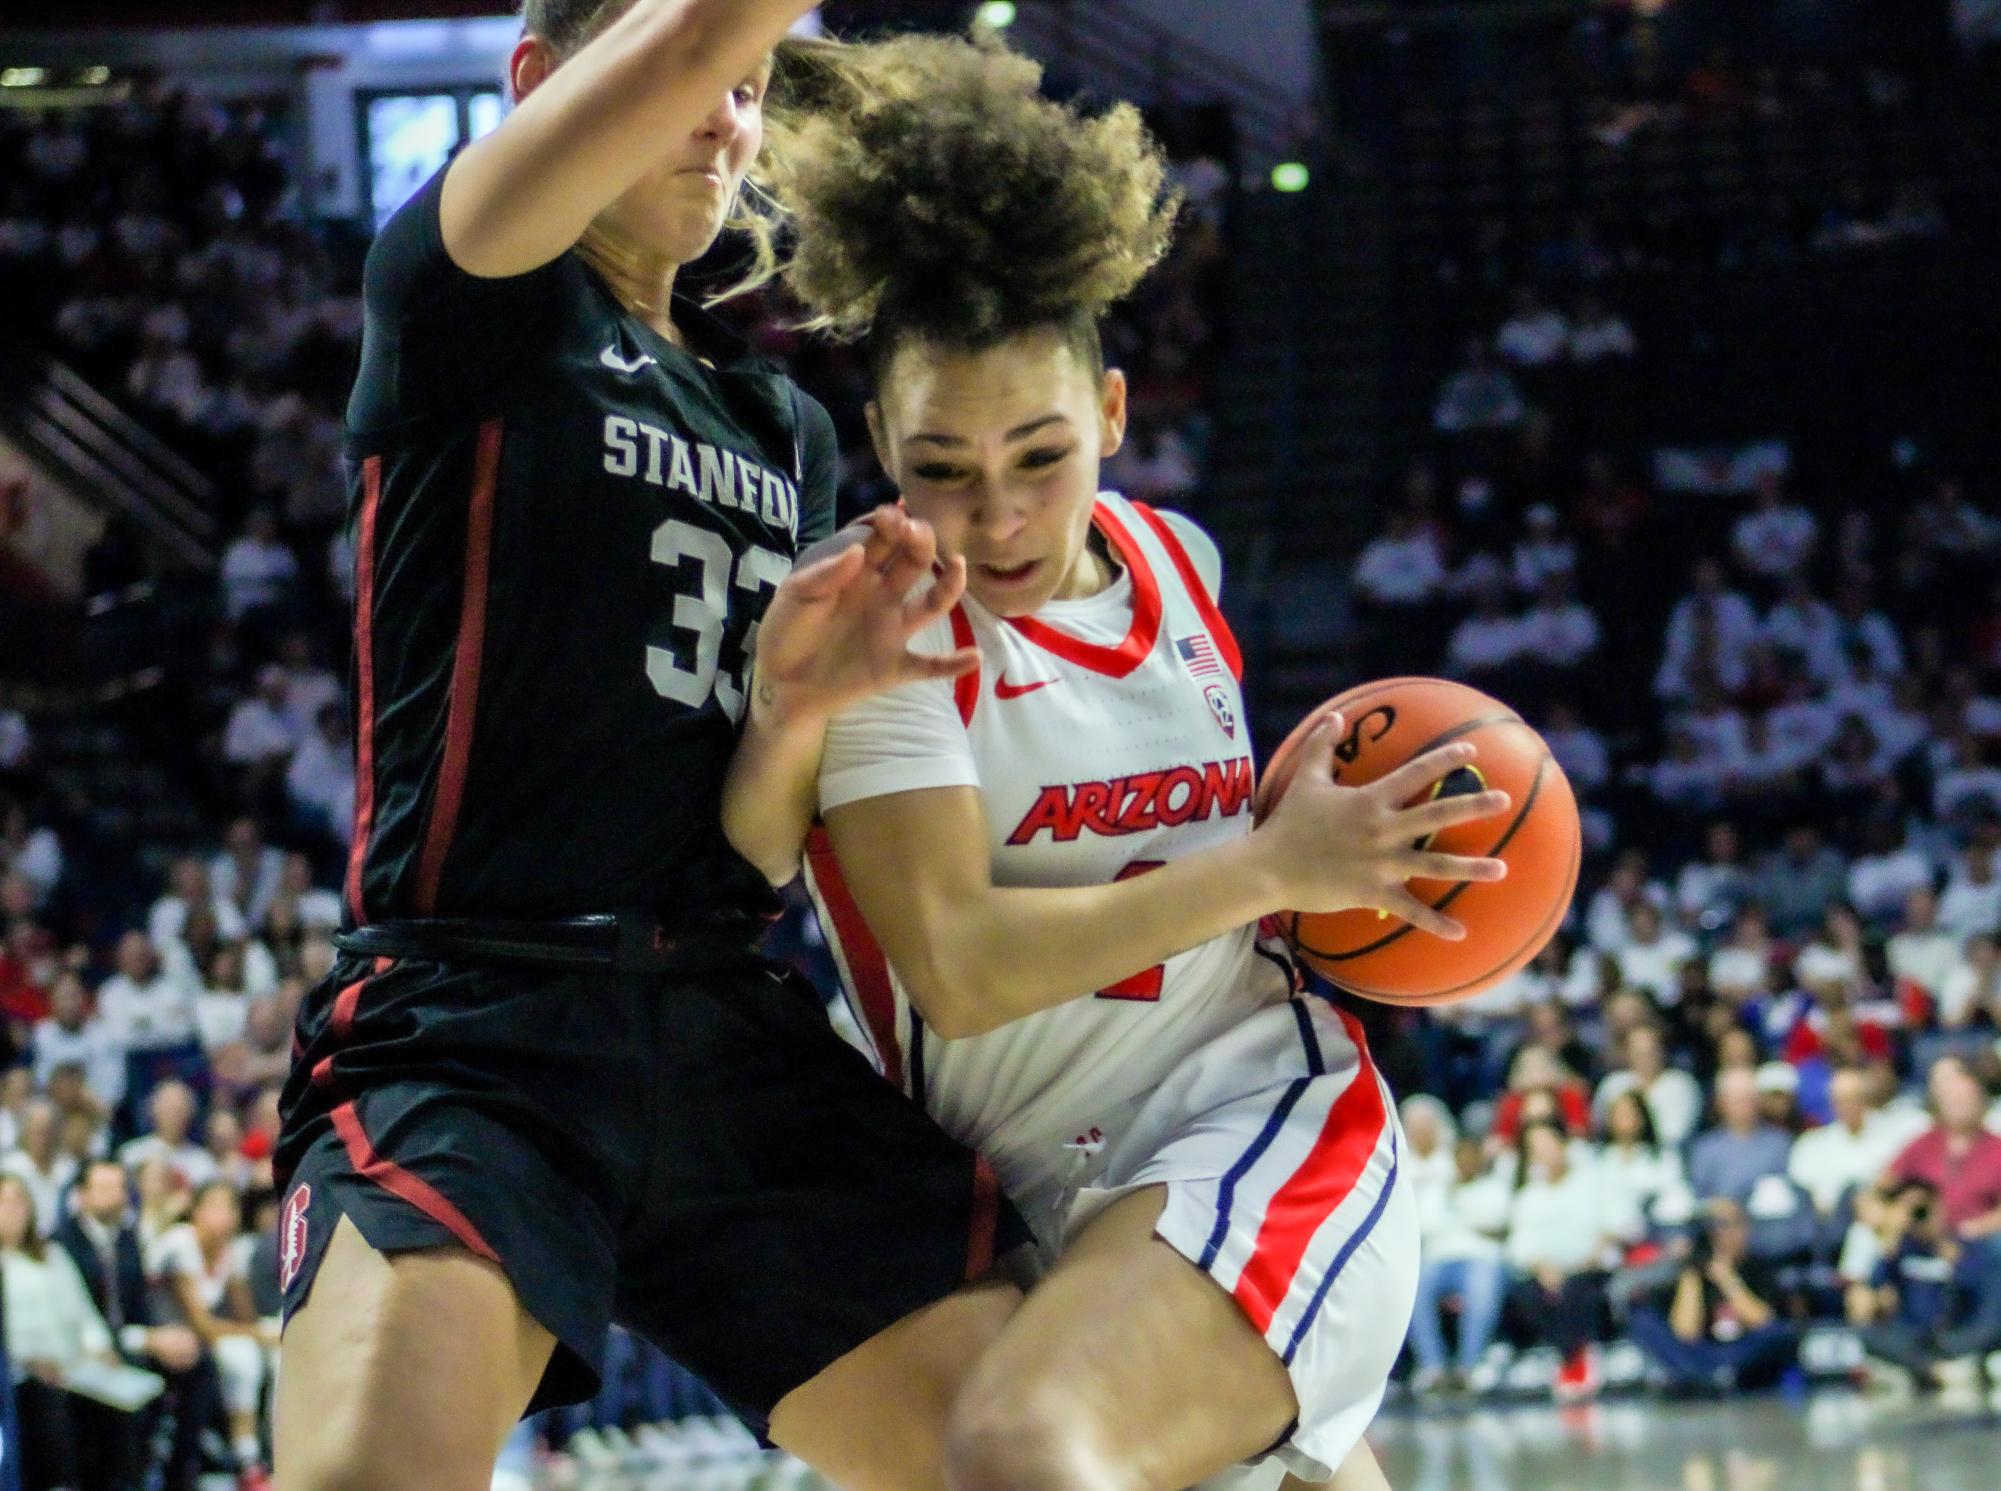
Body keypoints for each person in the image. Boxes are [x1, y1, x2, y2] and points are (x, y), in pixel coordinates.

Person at [270, 6, 1043, 1491]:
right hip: (477, 1018)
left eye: (750, 96)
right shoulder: (465, 291)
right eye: (694, 84)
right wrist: (700, 44)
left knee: (1034, 1451)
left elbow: (748, 848)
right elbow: (692, 34)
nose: (724, 120)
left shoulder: (785, 425)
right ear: (539, 92)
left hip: (719, 1015)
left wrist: (803, 708)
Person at [753, 32, 1512, 1490]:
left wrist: (1333, 872)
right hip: (1028, 1194)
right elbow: (959, 966)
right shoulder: (877, 623)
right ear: (877, 446)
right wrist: (1270, 863)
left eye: (1040, 455)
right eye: (940, 469)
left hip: (1249, 1109)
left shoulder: (1184, 559)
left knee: (1027, 1443)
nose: (997, 518)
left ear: (1113, 418)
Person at [57, 1160, 218, 1491]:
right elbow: (78, 1316)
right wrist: (148, 1340)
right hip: (89, 1350)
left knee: (201, 1363)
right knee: (133, 1377)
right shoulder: (63, 1244)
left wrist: (164, 1336)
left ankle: (181, 1475)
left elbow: (140, 1303)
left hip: (134, 1339)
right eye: (104, 1189)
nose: (114, 1197)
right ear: (82, 1195)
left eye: (118, 1188)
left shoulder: (127, 1239)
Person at [0, 1173, 137, 1491]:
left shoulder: (54, 1256)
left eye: (21, 1201)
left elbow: (84, 1312)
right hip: (27, 1372)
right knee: (48, 1402)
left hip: (77, 1365)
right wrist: (27, 1361)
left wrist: (101, 1348)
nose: (14, 1209)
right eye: (5, 1201)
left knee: (120, 1401)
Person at [151, 1180, 272, 1480]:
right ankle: (242, 1460)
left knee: (265, 1352)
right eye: (216, 1206)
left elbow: (246, 1317)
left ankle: (259, 1455)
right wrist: (261, 1335)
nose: (226, 1215)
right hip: (157, 1334)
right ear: (196, 1211)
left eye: (231, 1207)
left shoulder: (231, 1250)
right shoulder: (180, 1243)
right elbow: (202, 1324)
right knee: (240, 1357)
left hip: (193, 1340)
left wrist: (236, 1270)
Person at [1626, 1200, 1798, 1395]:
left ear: (1744, 1228)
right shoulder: (1689, 1270)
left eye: (1724, 1225)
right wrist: (1692, 1275)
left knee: (1781, 1333)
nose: (1718, 1234)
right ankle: (1707, 1376)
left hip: (1743, 1348)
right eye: (1711, 1227)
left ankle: (1705, 1377)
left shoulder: (1760, 1266)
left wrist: (1727, 1278)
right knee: (1643, 1321)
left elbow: (1763, 1321)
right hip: (1702, 1351)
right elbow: (1686, 1333)